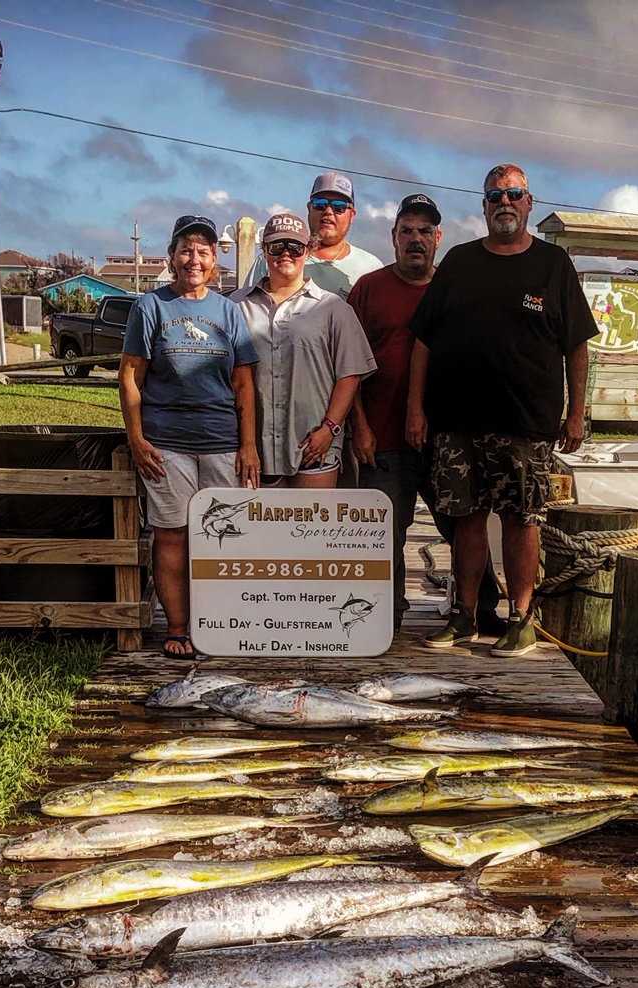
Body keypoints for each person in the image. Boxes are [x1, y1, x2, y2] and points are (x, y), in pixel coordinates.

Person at [407, 164, 597, 656]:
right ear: (484, 205)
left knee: (522, 520)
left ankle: (521, 618)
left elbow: (577, 345)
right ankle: (464, 616)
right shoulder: (459, 261)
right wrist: (415, 409)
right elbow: (423, 341)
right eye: (495, 196)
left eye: (514, 194)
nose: (504, 203)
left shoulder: (553, 265)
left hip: (525, 422)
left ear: (529, 203)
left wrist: (576, 414)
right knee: (465, 520)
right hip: (455, 421)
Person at [348, 193, 501, 633]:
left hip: (447, 440)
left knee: (464, 529)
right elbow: (349, 369)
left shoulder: (456, 287)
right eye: (406, 231)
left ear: (439, 238)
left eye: (424, 231)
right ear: (393, 238)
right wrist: (360, 428)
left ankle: (481, 610)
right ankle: (383, 619)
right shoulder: (368, 289)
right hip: (382, 440)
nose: (415, 239)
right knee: (383, 538)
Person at [120, 213, 259, 659]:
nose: (193, 259)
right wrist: (137, 440)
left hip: (221, 440)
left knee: (224, 537)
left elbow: (243, 384)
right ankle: (178, 626)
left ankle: (220, 623)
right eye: (186, 249)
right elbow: (129, 377)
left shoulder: (228, 311)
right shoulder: (150, 307)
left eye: (203, 250)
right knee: (172, 535)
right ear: (171, 256)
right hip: (166, 444)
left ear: (214, 259)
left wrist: (249, 444)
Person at [232, 212, 376, 486]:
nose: (286, 254)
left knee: (313, 529)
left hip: (314, 445)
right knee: (259, 529)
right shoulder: (235, 306)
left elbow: (350, 375)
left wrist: (330, 429)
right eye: (277, 246)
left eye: (295, 247)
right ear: (264, 250)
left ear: (307, 251)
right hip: (254, 449)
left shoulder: (333, 308)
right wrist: (244, 442)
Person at [245, 172, 383, 297]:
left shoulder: (371, 268)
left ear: (352, 215)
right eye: (320, 204)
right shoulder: (273, 258)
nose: (328, 211)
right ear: (309, 208)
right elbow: (245, 310)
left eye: (338, 206)